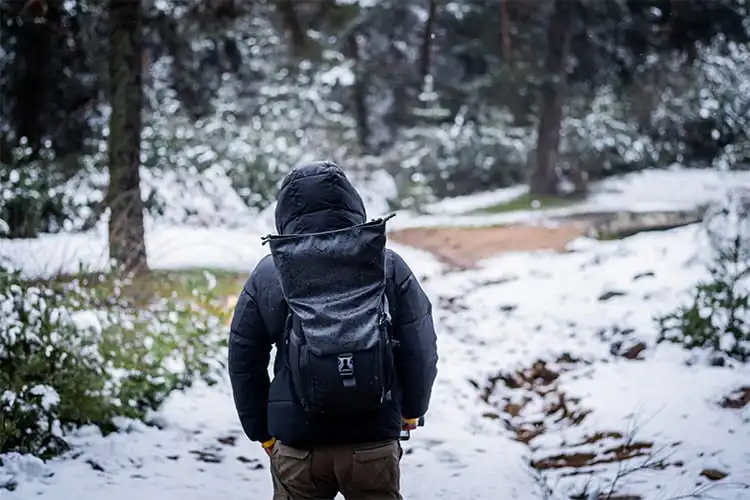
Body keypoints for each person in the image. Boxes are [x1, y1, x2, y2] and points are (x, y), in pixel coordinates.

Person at [228, 161, 438, 500]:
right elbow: (419, 346)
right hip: (373, 439)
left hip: (298, 446)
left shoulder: (269, 274)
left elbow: (244, 359)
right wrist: (414, 408)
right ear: (352, 204)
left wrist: (261, 432)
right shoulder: (388, 265)